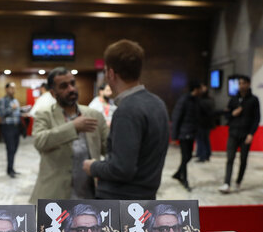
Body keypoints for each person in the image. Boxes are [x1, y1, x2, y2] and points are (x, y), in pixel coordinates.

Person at [82, 39, 170, 200]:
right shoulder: (158, 103)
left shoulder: (127, 110)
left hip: (120, 203)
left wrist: (93, 167)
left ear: (110, 73)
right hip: (147, 197)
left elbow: (121, 168)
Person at [30, 67, 109, 203]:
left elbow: (109, 149)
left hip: (89, 194)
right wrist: (73, 127)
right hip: (54, 196)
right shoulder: (45, 114)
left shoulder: (94, 115)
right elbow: (40, 141)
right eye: (64, 86)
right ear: (53, 93)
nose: (71, 89)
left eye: (72, 83)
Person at [219, 75, 260, 193]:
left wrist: (251, 134)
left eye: (243, 83)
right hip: (233, 133)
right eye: (240, 83)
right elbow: (226, 115)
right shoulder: (233, 99)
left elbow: (256, 118)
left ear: (248, 84)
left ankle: (238, 181)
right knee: (230, 158)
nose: (241, 86)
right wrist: (233, 114)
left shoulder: (254, 100)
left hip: (245, 135)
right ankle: (227, 183)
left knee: (243, 159)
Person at [171, 79, 202, 191]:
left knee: (188, 156)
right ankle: (184, 180)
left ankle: (178, 174)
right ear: (196, 89)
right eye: (200, 88)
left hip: (192, 133)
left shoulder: (196, 100)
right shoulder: (184, 100)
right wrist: (174, 136)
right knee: (185, 157)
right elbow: (176, 117)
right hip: (184, 134)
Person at [0, 82, 22, 178]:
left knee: (15, 148)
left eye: (14, 88)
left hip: (16, 127)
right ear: (6, 89)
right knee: (10, 149)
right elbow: (1, 114)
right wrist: (11, 108)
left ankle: (11, 168)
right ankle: (9, 170)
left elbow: (17, 112)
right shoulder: (2, 101)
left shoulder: (15, 100)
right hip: (8, 127)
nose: (13, 90)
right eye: (11, 88)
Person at [195, 84, 216, 162]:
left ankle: (202, 156)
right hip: (208, 124)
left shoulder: (201, 101)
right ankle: (207, 154)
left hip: (202, 123)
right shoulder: (211, 99)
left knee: (201, 140)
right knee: (206, 139)